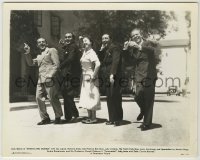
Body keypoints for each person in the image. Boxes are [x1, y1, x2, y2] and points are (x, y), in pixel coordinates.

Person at [123, 28, 161, 131]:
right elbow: (129, 62)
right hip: (139, 75)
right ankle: (144, 110)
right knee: (137, 96)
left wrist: (139, 47)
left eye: (137, 34)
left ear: (141, 35)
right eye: (133, 36)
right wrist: (126, 49)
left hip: (149, 75)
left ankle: (147, 123)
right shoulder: (134, 49)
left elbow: (153, 51)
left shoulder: (148, 43)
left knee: (148, 99)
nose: (135, 37)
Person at [23, 38, 63, 125]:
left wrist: (51, 75)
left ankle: (58, 116)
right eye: (39, 42)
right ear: (37, 45)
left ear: (46, 43)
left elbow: (57, 64)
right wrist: (27, 52)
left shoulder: (52, 50)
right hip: (41, 79)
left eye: (43, 42)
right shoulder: (39, 55)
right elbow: (30, 63)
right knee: (38, 98)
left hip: (50, 78)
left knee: (52, 98)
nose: (41, 43)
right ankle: (45, 118)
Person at [99, 34, 123, 126]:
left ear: (110, 39)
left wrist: (112, 74)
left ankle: (118, 119)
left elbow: (115, 61)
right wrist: (101, 50)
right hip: (107, 76)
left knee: (115, 96)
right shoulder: (105, 49)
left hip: (114, 75)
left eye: (106, 38)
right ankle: (112, 118)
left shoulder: (115, 47)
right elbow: (101, 61)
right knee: (109, 97)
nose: (104, 40)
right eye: (103, 38)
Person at [59, 32, 81, 122]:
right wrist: (64, 46)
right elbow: (68, 53)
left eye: (69, 37)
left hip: (71, 74)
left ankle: (69, 116)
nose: (67, 38)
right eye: (66, 37)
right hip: (67, 74)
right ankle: (74, 114)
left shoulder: (73, 46)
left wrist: (60, 66)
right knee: (66, 94)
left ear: (73, 38)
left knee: (68, 94)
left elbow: (71, 58)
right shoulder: (69, 47)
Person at [78, 36, 101, 124]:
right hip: (84, 75)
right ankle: (89, 117)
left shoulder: (92, 52)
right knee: (86, 95)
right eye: (83, 41)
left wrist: (94, 75)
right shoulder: (85, 52)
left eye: (86, 41)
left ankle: (94, 118)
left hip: (90, 75)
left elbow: (98, 64)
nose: (84, 43)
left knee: (92, 95)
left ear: (91, 42)